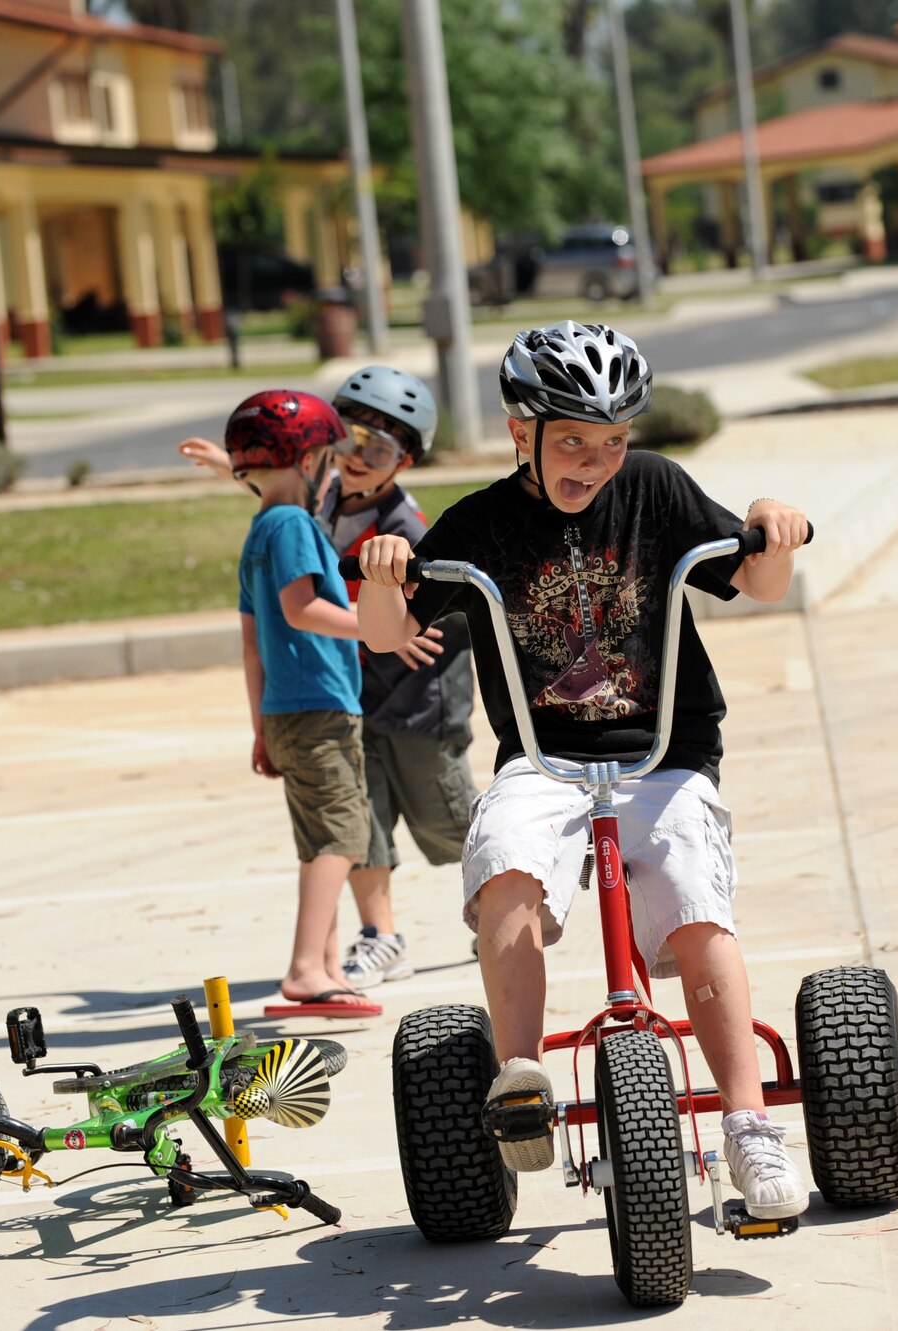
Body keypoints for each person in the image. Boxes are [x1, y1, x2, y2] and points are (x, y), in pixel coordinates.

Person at [354, 321, 814, 1220]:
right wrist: (383, 571)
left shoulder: (657, 490)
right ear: (519, 431)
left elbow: (757, 583)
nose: (595, 461)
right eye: (571, 441)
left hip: (664, 756)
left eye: (611, 442)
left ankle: (751, 1126)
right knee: (506, 865)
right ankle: (521, 1075)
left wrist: (774, 532)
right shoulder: (481, 524)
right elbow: (382, 631)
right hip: (544, 760)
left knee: (692, 890)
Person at [182, 367, 479, 991]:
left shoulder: (406, 527)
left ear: (405, 461)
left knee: (442, 818)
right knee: (360, 819)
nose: (362, 458)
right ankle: (381, 936)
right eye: (354, 441)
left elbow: (433, 606)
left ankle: (508, 890)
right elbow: (282, 508)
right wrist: (233, 465)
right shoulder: (319, 499)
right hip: (348, 690)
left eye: (383, 448)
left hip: (419, 694)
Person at [226, 388, 380, 1018]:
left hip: (287, 713)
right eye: (324, 455)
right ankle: (304, 970)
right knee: (345, 835)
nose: (330, 470)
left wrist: (261, 727)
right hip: (318, 707)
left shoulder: (259, 531)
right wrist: (374, 627)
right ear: (301, 460)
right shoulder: (291, 524)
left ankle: (327, 965)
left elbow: (252, 644)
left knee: (322, 841)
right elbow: (299, 609)